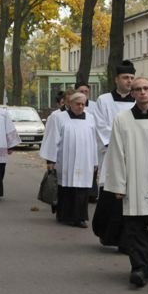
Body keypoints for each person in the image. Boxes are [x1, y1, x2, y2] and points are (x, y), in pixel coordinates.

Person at [105, 78, 148, 288]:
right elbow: (116, 152)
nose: (142, 92)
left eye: (146, 88)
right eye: (137, 89)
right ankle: (138, 267)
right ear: (132, 93)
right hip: (133, 178)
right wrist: (118, 185)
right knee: (135, 226)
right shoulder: (122, 119)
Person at [92, 60, 136, 247]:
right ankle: (108, 234)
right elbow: (100, 126)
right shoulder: (104, 100)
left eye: (132, 77)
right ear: (116, 79)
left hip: (134, 155)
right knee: (111, 196)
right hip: (111, 154)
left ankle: (127, 238)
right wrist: (118, 144)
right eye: (125, 77)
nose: (129, 81)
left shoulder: (139, 100)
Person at [47, 93, 97, 226]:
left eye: (83, 104)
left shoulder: (90, 118)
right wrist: (50, 160)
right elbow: (53, 139)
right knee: (65, 187)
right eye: (77, 104)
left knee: (82, 189)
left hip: (85, 159)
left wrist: (95, 161)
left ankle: (80, 218)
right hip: (65, 158)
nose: (80, 107)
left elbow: (94, 141)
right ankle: (64, 215)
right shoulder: (59, 118)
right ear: (70, 104)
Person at [74, 81, 97, 202]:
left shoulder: (95, 105)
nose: (84, 93)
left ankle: (92, 193)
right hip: (76, 141)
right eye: (81, 91)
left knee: (91, 168)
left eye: (86, 91)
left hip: (90, 140)